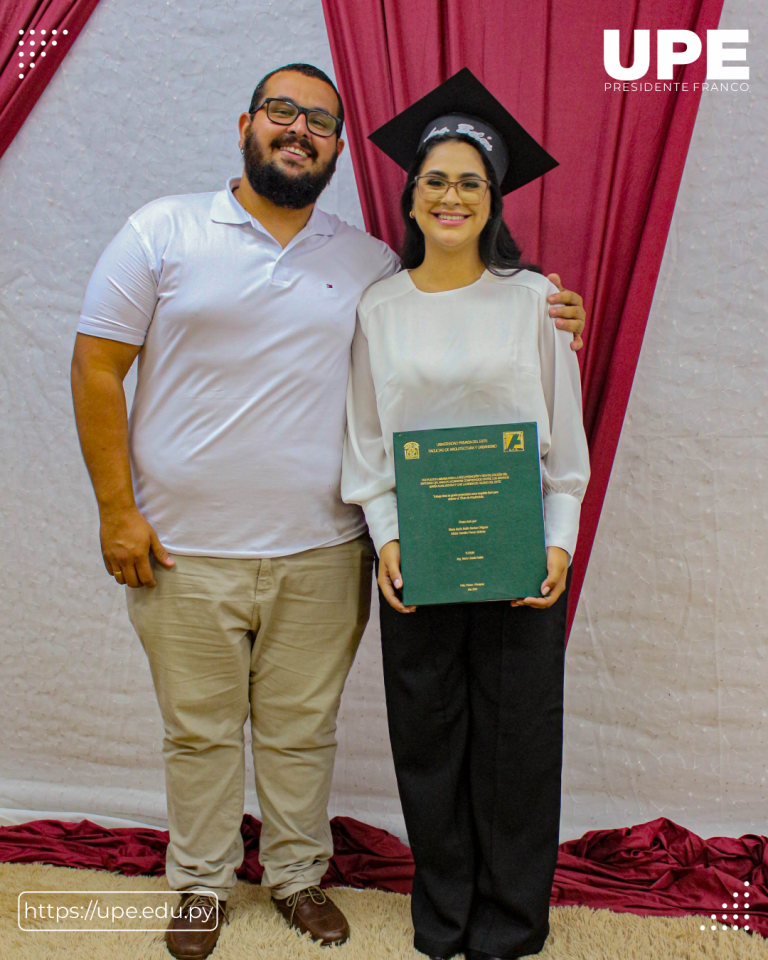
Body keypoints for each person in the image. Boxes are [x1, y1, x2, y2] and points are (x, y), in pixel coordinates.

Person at [70, 63, 586, 960]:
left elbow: (489, 368)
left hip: (323, 549)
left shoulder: (372, 263)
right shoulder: (165, 230)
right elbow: (97, 367)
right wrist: (116, 509)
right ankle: (200, 884)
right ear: (246, 123)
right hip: (188, 548)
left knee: (304, 732)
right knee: (197, 732)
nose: (298, 129)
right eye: (282, 112)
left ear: (341, 149)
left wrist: (554, 312)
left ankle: (298, 878)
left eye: (318, 120)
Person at [341, 69, 591, 960]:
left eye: (470, 181)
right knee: (430, 739)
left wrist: (557, 544)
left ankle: (512, 922)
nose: (451, 195)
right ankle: (442, 918)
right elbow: (368, 445)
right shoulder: (380, 308)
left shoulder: (534, 301)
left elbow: (564, 445)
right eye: (436, 179)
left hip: (521, 554)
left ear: (493, 199)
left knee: (519, 742)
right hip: (423, 560)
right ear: (412, 195)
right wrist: (389, 540)